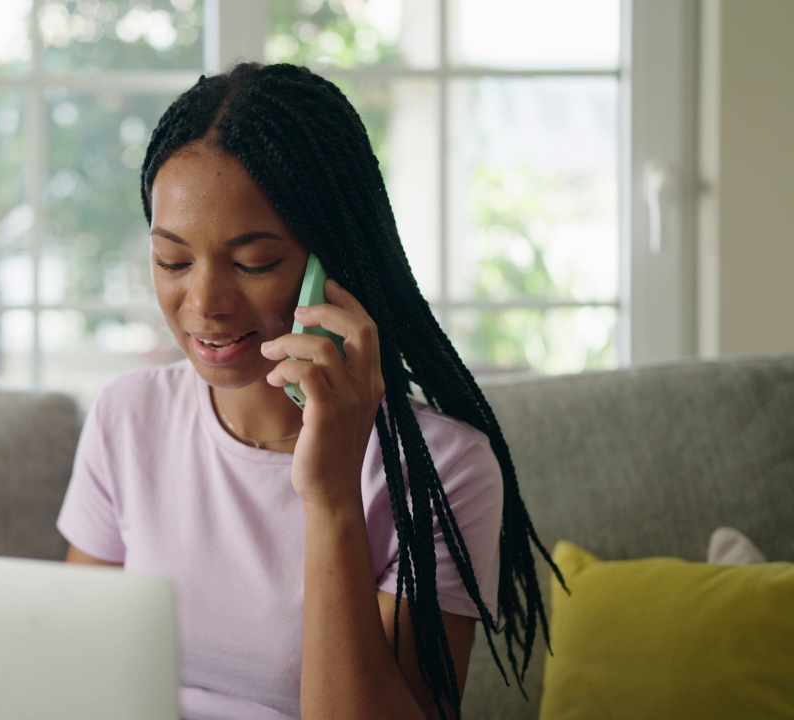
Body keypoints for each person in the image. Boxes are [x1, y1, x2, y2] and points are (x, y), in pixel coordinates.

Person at [57, 63, 559, 720]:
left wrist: (330, 498)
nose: (204, 301)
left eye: (254, 263)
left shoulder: (445, 469)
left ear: (334, 265)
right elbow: (70, 676)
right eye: (173, 261)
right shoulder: (128, 418)